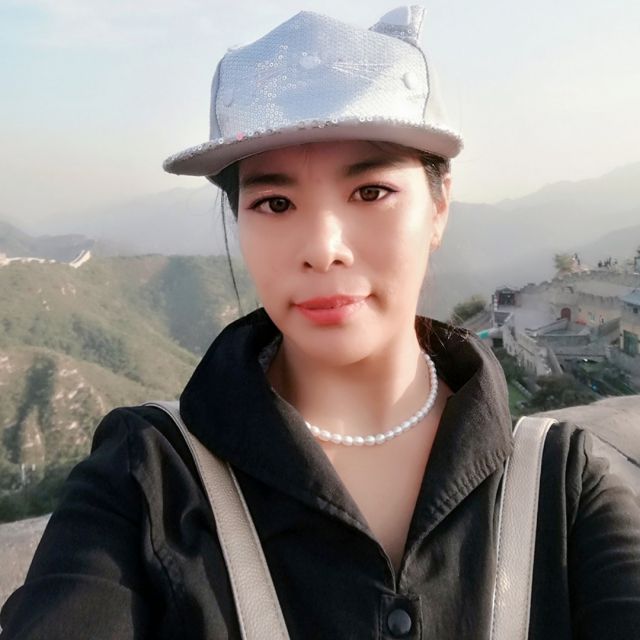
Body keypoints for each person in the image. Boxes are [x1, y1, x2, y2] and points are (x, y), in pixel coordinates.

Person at [2, 6, 640, 639]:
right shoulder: (148, 481)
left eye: (370, 192)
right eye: (275, 202)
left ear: (439, 205)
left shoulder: (562, 486)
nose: (322, 247)